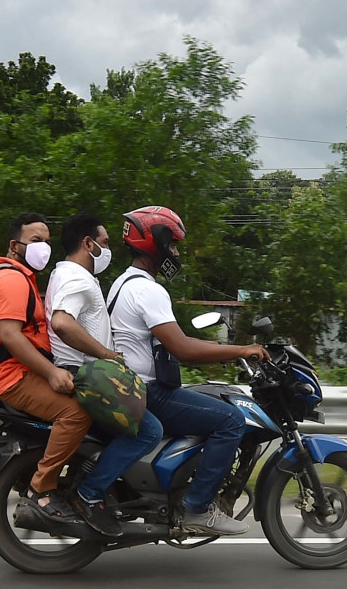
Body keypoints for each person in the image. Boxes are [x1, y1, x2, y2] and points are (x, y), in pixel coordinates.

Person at [107, 205, 271, 536]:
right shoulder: (148, 290)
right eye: (172, 245)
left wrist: (222, 353)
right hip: (148, 392)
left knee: (210, 399)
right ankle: (197, 508)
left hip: (130, 386)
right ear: (155, 243)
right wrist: (241, 350)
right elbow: (181, 349)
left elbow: (176, 339)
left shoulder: (124, 283)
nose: (176, 253)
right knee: (230, 420)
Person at [0, 212, 115, 536]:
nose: (44, 248)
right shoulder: (11, 279)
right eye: (36, 241)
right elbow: (11, 336)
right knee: (77, 412)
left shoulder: (21, 276)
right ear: (15, 245)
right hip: (13, 377)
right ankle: (41, 489)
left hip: (21, 371)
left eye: (47, 242)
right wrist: (53, 372)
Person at [45, 211, 163, 536]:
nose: (108, 250)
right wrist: (107, 354)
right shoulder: (77, 279)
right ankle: (89, 493)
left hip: (82, 370)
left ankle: (114, 488)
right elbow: (62, 322)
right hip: (86, 374)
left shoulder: (67, 275)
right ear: (88, 244)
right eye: (105, 243)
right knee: (149, 431)